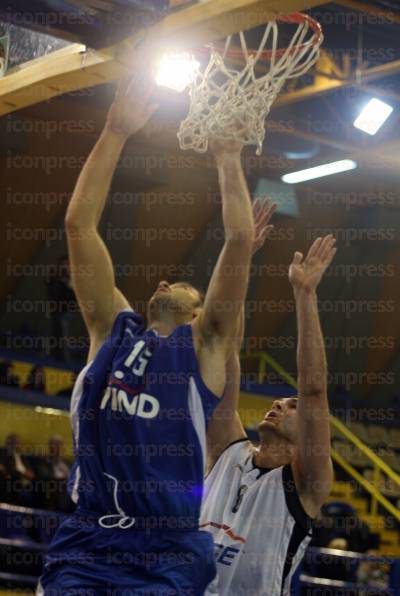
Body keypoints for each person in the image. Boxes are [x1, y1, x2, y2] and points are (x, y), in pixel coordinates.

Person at [39, 59, 260, 595]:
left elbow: (236, 242)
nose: (167, 281)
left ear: (199, 310)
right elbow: (78, 225)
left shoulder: (203, 348)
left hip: (166, 553)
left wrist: (228, 159)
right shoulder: (110, 329)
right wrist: (115, 130)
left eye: (184, 284)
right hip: (88, 540)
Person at [201, 234, 337, 595]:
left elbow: (313, 391)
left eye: (291, 406)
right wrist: (239, 258)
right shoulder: (225, 452)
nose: (279, 404)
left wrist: (305, 294)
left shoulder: (308, 481)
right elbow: (225, 348)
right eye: (279, 401)